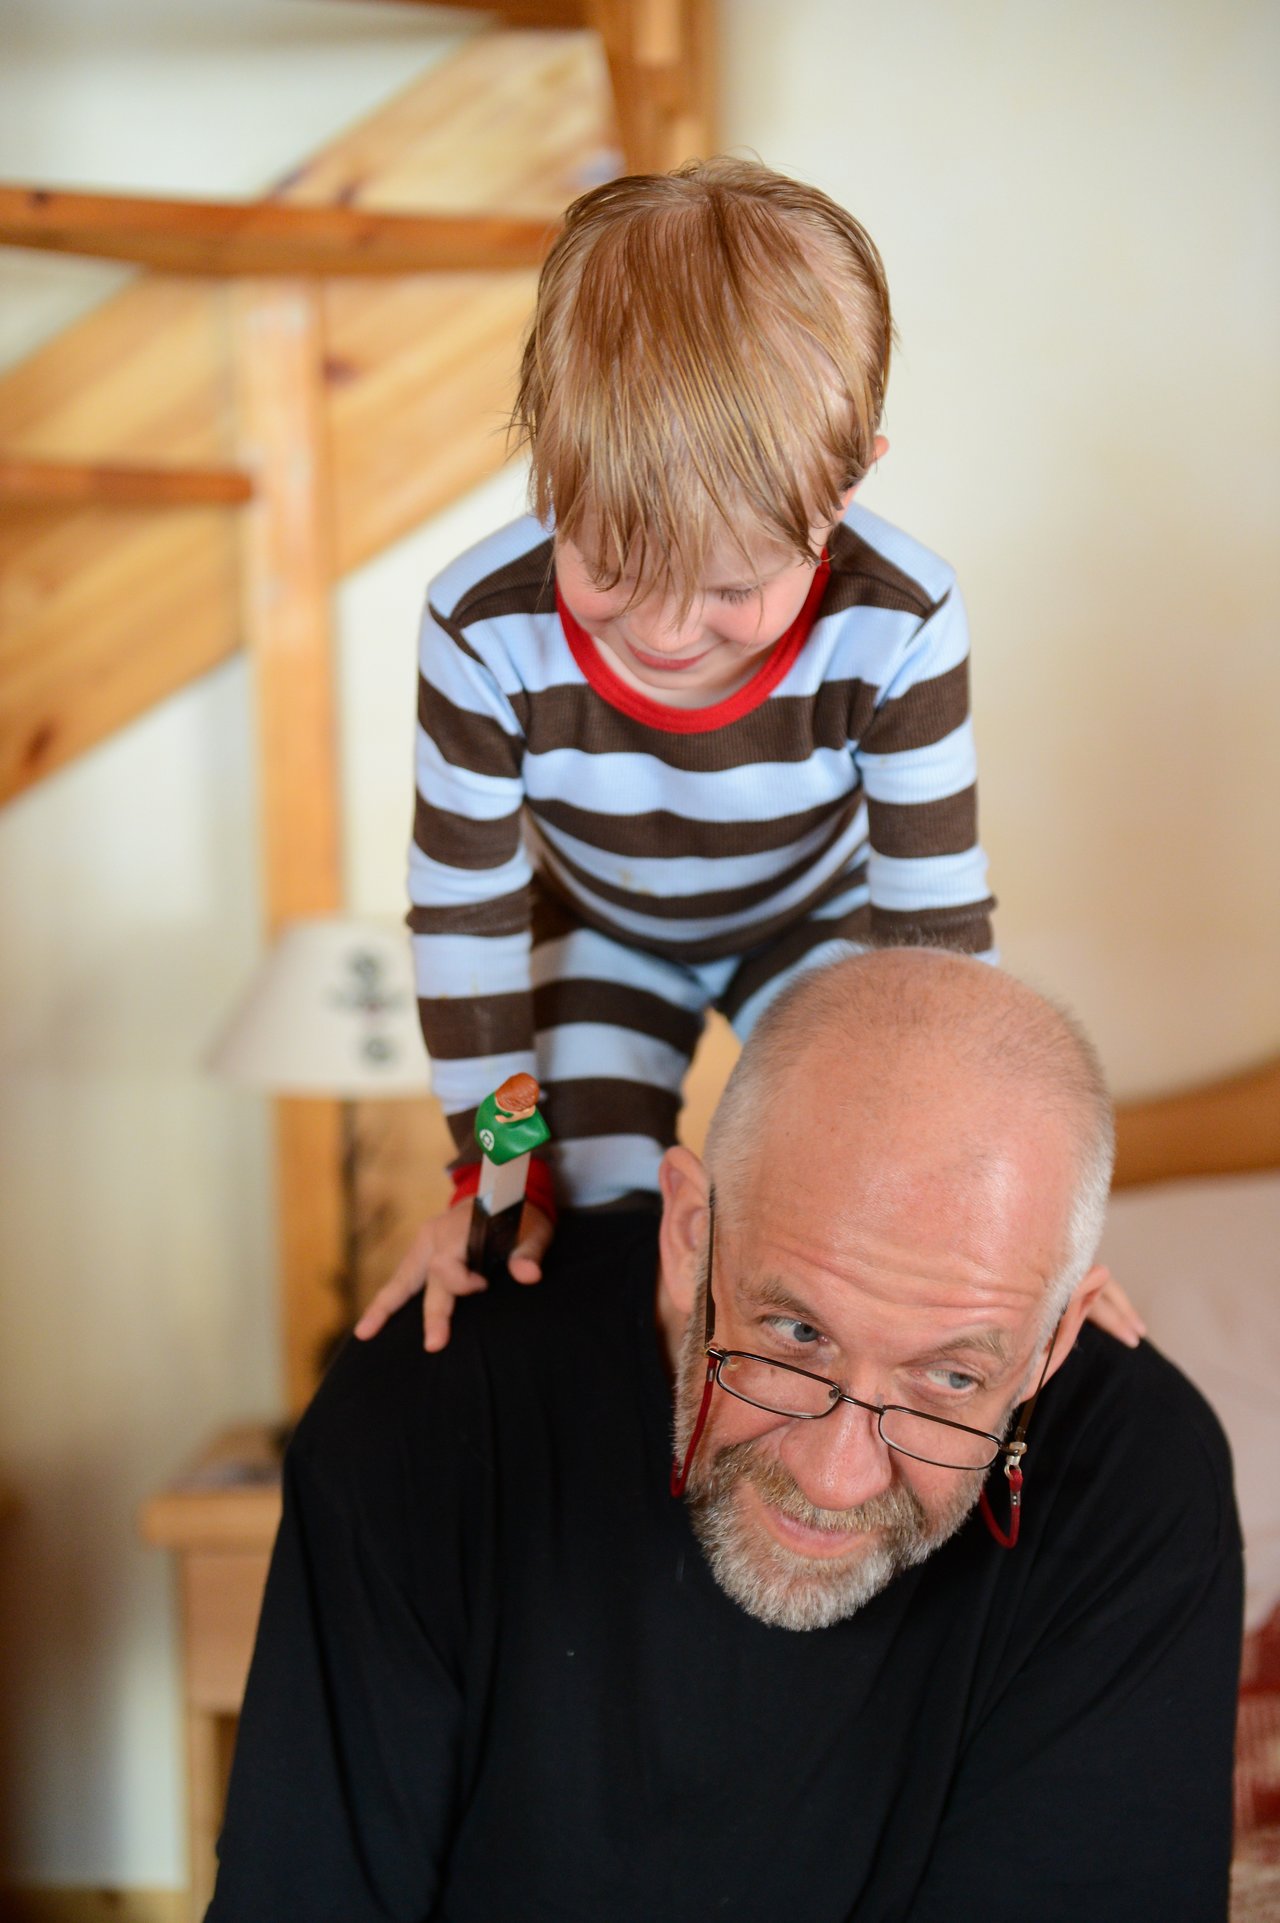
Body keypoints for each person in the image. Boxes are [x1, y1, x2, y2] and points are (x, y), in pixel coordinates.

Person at [208, 949, 1241, 1922]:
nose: (837, 1477)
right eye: (795, 1336)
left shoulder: (1137, 1478)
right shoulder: (422, 1411)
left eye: (951, 1379)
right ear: (689, 1234)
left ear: (1055, 1341)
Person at [360, 156, 1000, 1351]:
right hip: (598, 930)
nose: (662, 633)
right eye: (607, 568)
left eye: (729, 587)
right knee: (592, 1226)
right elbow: (465, 918)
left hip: (815, 928)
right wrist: (494, 1181)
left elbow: (934, 928)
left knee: (845, 1202)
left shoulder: (902, 618)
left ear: (848, 481)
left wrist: (976, 1184)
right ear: (549, 454)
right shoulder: (477, 622)